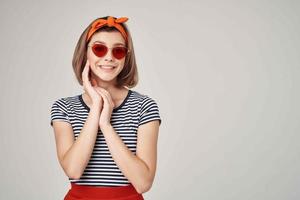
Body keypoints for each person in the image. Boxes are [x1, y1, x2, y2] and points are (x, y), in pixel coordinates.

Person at [50, 16, 162, 200]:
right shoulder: (64, 108)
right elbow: (74, 170)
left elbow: (143, 183)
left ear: (126, 57)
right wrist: (96, 110)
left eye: (118, 51)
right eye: (99, 49)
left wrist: (106, 125)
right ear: (85, 53)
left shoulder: (145, 106)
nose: (109, 57)